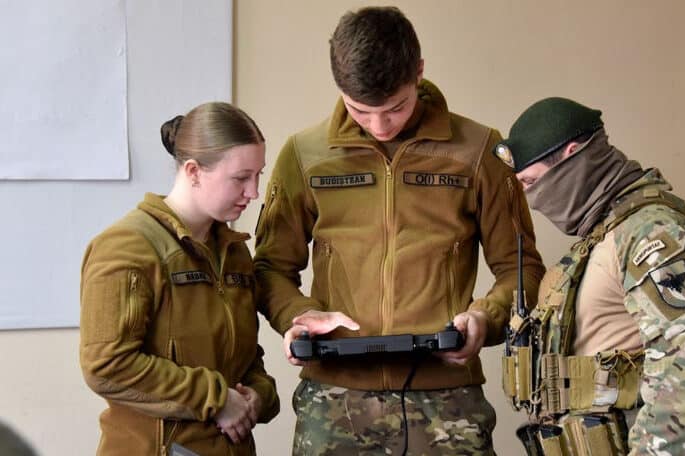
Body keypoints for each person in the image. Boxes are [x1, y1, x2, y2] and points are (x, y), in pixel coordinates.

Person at [253, 6, 545, 456]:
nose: (380, 125)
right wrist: (299, 315)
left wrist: (485, 319)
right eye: (360, 111)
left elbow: (521, 270)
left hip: (447, 400)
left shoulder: (479, 150)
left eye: (396, 108)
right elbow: (270, 267)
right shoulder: (304, 155)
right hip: (334, 401)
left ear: (419, 73)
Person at [496, 97, 685, 455]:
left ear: (572, 157)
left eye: (532, 181)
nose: (531, 198)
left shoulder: (650, 233)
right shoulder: (603, 236)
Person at [80, 102, 280, 455]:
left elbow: (243, 355)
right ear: (193, 171)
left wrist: (256, 395)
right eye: (240, 178)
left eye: (258, 175)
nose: (253, 192)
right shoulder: (127, 247)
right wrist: (216, 399)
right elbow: (107, 366)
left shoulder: (234, 251)